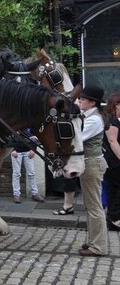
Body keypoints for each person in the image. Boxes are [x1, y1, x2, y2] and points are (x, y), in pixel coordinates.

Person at [73, 85, 109, 257]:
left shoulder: (94, 120)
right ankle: (93, 241)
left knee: (94, 206)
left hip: (92, 164)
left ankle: (98, 247)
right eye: (80, 98)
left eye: (83, 99)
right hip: (89, 163)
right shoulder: (88, 116)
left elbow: (78, 138)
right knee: (90, 205)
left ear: (93, 102)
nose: (79, 100)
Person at [10, 130, 44, 203]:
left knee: (31, 173)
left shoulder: (30, 125)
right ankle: (16, 194)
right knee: (16, 174)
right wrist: (12, 150)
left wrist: (34, 149)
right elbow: (9, 136)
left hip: (28, 151)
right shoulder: (15, 122)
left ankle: (35, 193)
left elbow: (36, 137)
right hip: (16, 152)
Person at [103, 92, 120, 231]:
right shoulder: (112, 122)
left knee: (114, 190)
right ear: (116, 105)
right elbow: (113, 141)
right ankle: (114, 217)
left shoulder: (116, 120)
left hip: (114, 161)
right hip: (114, 162)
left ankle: (113, 220)